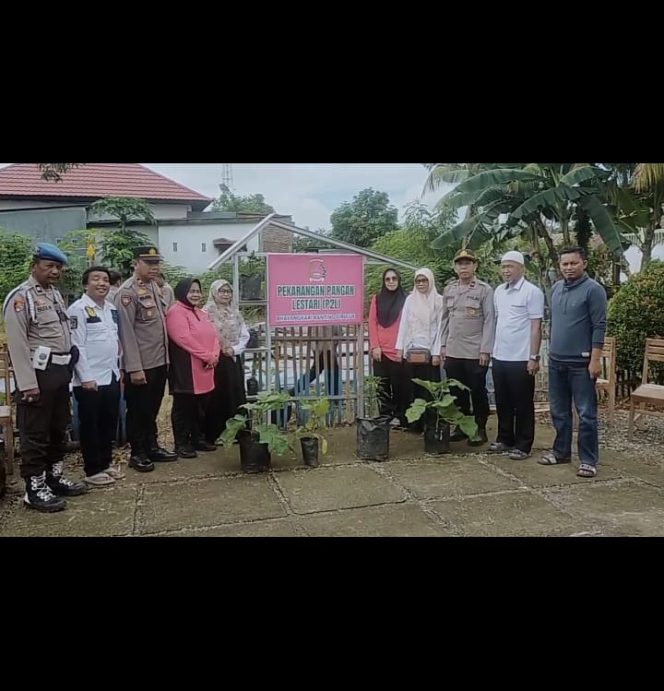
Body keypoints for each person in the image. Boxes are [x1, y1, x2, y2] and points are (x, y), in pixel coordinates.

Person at [3, 242, 87, 511]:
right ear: (35, 265)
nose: (54, 272)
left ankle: (54, 477)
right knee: (35, 434)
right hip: (38, 375)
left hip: (59, 372)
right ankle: (35, 488)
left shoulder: (55, 295)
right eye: (49, 266)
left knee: (57, 428)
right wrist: (27, 384)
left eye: (58, 267)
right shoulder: (21, 297)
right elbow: (17, 344)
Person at [539, 245, 607, 478]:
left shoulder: (593, 290)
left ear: (584, 263)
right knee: (559, 411)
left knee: (586, 414)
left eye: (573, 263)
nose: (568, 267)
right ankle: (561, 452)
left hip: (582, 363)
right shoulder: (556, 288)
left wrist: (595, 359)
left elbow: (599, 326)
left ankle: (588, 459)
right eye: (564, 264)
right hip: (556, 361)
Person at [114, 246, 177, 472]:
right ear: (136, 263)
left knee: (152, 407)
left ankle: (152, 445)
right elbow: (126, 333)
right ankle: (138, 452)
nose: (154, 267)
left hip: (159, 360)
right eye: (149, 263)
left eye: (156, 263)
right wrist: (134, 368)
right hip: (141, 364)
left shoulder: (154, 287)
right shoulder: (127, 292)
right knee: (139, 409)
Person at [68, 265, 124, 486]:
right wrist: (85, 376)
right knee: (90, 425)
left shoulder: (110, 308)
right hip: (90, 379)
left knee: (109, 422)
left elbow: (114, 340)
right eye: (96, 279)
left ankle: (106, 462)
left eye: (105, 280)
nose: (102, 283)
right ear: (85, 284)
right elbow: (76, 345)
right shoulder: (78, 309)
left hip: (111, 375)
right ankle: (92, 469)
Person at [490, 251, 544, 460]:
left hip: (521, 357)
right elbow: (499, 321)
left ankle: (523, 444)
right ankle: (505, 438)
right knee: (503, 400)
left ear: (521, 268)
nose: (506, 271)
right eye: (503, 267)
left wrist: (534, 356)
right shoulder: (499, 292)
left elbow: (536, 327)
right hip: (500, 355)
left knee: (522, 403)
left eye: (510, 266)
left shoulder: (532, 292)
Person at [439, 248, 495, 446]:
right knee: (456, 391)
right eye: (460, 263)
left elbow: (489, 320)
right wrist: (443, 345)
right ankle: (462, 426)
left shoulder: (484, 290)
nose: (464, 267)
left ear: (475, 266)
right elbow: (445, 320)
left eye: (468, 263)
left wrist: (485, 349)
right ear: (455, 267)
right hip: (454, 349)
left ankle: (479, 427)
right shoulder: (450, 289)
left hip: (474, 350)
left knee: (477, 390)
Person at [166, 278, 220, 457]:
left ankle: (198, 438)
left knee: (201, 406)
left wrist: (214, 354)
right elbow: (183, 338)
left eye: (198, 291)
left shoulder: (201, 312)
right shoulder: (176, 312)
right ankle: (182, 443)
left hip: (206, 367)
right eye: (192, 291)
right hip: (187, 369)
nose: (196, 295)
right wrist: (206, 355)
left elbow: (214, 335)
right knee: (184, 406)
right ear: (182, 293)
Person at [203, 279, 250, 445]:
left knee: (234, 394)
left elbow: (245, 335)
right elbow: (202, 335)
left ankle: (237, 433)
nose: (225, 294)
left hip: (231, 359)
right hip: (213, 361)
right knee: (215, 397)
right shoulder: (205, 313)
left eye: (228, 291)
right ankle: (214, 434)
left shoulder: (235, 313)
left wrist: (235, 349)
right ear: (214, 293)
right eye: (222, 291)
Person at [395, 267, 443, 431]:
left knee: (430, 389)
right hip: (412, 351)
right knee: (413, 388)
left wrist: (437, 353)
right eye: (418, 281)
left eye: (424, 280)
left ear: (430, 281)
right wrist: (400, 348)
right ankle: (415, 424)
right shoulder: (410, 300)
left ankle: (431, 424)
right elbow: (404, 325)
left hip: (430, 352)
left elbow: (440, 328)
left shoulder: (438, 300)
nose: (421, 284)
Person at [369, 267, 410, 427]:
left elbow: (408, 325)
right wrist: (375, 346)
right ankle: (385, 415)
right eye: (388, 279)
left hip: (399, 351)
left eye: (394, 278)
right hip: (380, 351)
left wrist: (402, 347)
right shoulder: (377, 299)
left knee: (400, 385)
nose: (391, 282)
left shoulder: (406, 299)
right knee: (382, 386)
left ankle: (400, 416)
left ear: (399, 281)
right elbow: (372, 322)